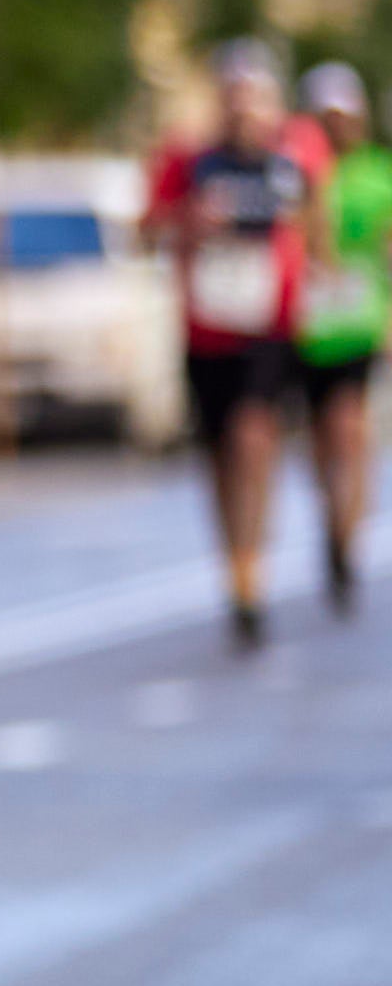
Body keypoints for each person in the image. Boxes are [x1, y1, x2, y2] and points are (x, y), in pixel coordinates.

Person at [147, 39, 315, 651]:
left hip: (270, 326)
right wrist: (191, 220)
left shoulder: (294, 153)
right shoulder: (189, 161)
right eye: (234, 96)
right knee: (219, 455)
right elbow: (149, 226)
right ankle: (236, 568)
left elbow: (317, 223)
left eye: (255, 96)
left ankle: (255, 570)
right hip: (206, 327)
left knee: (254, 439)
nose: (245, 109)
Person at [293, 60, 384, 612]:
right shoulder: (297, 168)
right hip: (304, 326)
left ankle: (347, 541)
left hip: (357, 321)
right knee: (319, 437)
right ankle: (332, 519)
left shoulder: (379, 173)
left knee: (348, 428)